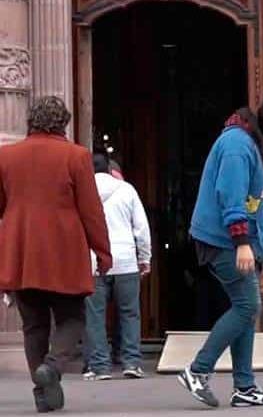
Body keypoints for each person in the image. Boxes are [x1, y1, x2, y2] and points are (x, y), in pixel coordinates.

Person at [178, 95, 263, 408]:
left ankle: (244, 387)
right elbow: (230, 196)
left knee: (245, 309)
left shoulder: (254, 146)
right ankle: (197, 370)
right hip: (223, 240)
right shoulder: (237, 144)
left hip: (236, 240)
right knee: (247, 306)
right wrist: (242, 242)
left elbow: (256, 203)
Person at [0, 96, 112, 412]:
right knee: (72, 317)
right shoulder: (76, 156)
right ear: (63, 123)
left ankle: (43, 393)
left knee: (33, 324)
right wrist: (103, 251)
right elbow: (91, 210)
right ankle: (51, 367)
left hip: (21, 250)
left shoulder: (6, 156)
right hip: (63, 250)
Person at [83, 152, 152, 381]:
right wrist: (144, 257)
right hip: (125, 261)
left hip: (93, 262)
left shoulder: (82, 191)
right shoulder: (127, 190)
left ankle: (100, 367)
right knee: (130, 313)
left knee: (95, 317)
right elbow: (141, 227)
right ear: (109, 169)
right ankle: (131, 362)